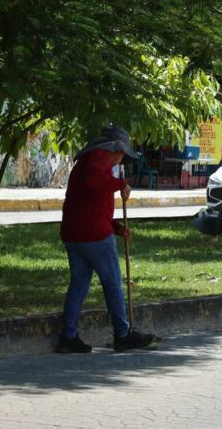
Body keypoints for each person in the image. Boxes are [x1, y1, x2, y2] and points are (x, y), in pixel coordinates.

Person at [56, 126, 157, 353]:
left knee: (79, 283)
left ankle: (68, 336)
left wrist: (116, 227)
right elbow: (94, 182)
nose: (120, 161)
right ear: (117, 149)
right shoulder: (99, 159)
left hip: (75, 233)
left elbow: (91, 204)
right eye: (122, 155)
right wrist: (120, 185)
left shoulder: (89, 161)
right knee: (112, 282)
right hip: (94, 235)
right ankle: (122, 333)